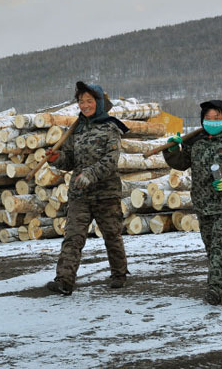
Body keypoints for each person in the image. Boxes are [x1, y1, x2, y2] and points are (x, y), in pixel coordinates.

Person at [163, 99, 222, 305]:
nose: (212, 121)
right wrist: (172, 150)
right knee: (212, 247)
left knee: (221, 246)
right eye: (208, 118)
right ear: (202, 120)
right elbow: (181, 163)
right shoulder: (195, 142)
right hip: (203, 205)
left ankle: (215, 290)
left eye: (217, 117)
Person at [45, 81, 130, 295]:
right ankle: (64, 280)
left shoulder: (110, 127)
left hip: (106, 193)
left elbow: (111, 160)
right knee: (73, 237)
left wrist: (90, 174)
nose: (84, 105)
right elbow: (70, 160)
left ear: (99, 102)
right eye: (81, 101)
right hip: (80, 194)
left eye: (89, 101)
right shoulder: (76, 129)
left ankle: (119, 274)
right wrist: (56, 158)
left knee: (112, 235)